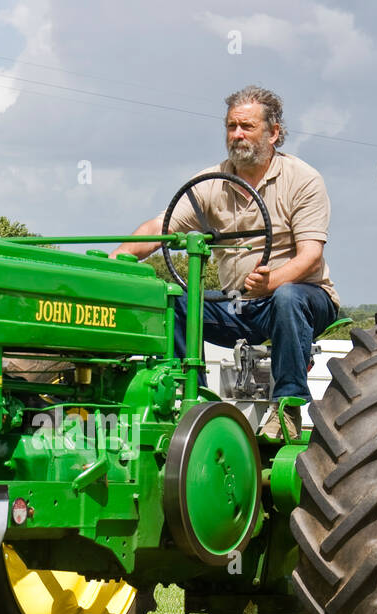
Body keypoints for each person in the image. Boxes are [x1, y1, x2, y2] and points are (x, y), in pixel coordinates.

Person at [112, 85, 339, 439]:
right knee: (173, 302)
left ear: (274, 133)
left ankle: (288, 408)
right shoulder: (210, 182)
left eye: (246, 127)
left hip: (304, 299)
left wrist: (272, 281)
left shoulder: (303, 179)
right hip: (239, 305)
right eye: (231, 127)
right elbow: (161, 227)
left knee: (287, 297)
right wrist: (115, 262)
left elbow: (311, 257)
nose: (237, 135)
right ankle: (195, 404)